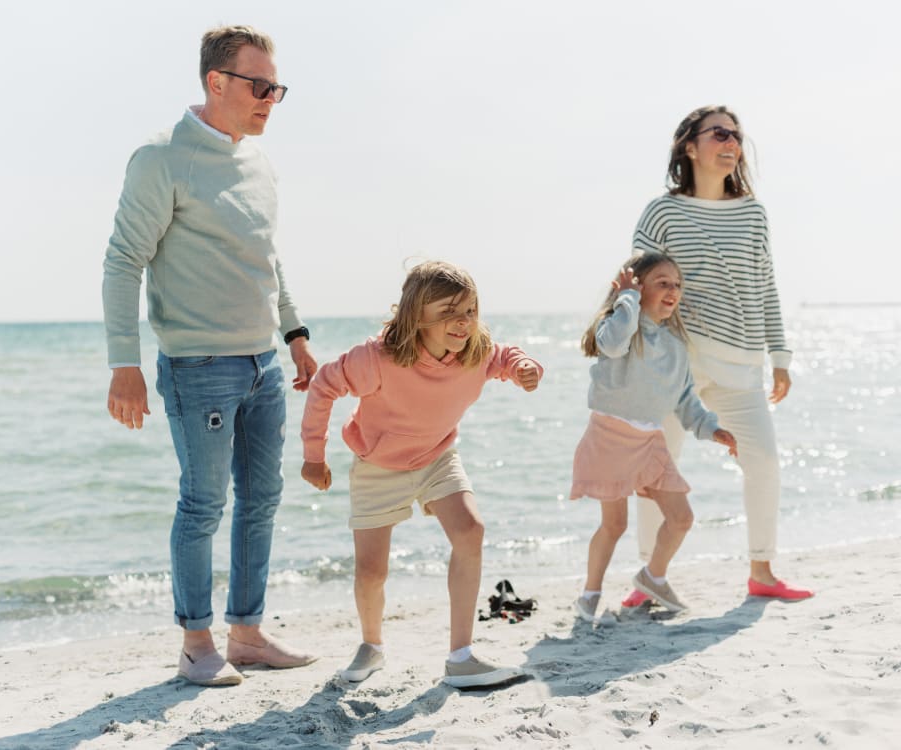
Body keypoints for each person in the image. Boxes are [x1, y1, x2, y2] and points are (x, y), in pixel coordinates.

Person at [102, 25, 319, 687]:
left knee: (262, 499)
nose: (271, 101)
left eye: (277, 89)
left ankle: (247, 634)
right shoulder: (160, 158)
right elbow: (123, 262)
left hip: (263, 365)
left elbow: (267, 258)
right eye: (260, 87)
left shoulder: (258, 162)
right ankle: (198, 643)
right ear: (216, 82)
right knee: (203, 504)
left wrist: (295, 334)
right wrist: (125, 364)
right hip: (199, 368)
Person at [299, 261, 541, 688]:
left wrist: (523, 367)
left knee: (470, 530)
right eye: (448, 311)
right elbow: (323, 386)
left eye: (469, 310)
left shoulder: (476, 349)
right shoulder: (376, 359)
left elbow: (504, 356)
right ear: (416, 315)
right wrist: (314, 456)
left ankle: (461, 657)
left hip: (436, 457)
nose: (462, 321)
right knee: (371, 572)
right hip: (378, 467)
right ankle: (371, 646)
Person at [621, 105, 814, 609]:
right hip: (674, 362)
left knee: (764, 461)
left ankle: (762, 571)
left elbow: (765, 285)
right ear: (690, 146)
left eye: (737, 136)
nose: (732, 143)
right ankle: (648, 577)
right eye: (720, 133)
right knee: (657, 469)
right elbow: (638, 283)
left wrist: (781, 356)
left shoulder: (753, 212)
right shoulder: (662, 211)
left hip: (740, 360)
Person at [570, 252, 738, 621]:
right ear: (636, 287)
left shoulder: (675, 346)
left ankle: (653, 576)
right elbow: (612, 345)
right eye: (663, 282)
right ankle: (589, 594)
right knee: (614, 525)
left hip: (649, 442)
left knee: (681, 517)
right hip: (609, 437)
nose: (673, 290)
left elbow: (684, 398)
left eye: (677, 284)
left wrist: (711, 428)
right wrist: (626, 300)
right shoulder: (619, 326)